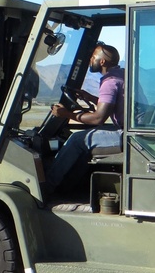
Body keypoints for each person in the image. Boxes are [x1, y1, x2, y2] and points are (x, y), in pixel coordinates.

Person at [43, 43, 124, 196]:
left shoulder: (109, 82)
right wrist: (90, 97)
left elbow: (98, 118)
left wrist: (65, 114)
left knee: (76, 140)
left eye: (93, 57)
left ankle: (46, 188)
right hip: (129, 131)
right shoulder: (121, 74)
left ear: (102, 62)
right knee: (87, 137)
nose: (90, 60)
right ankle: (69, 187)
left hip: (127, 136)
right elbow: (111, 104)